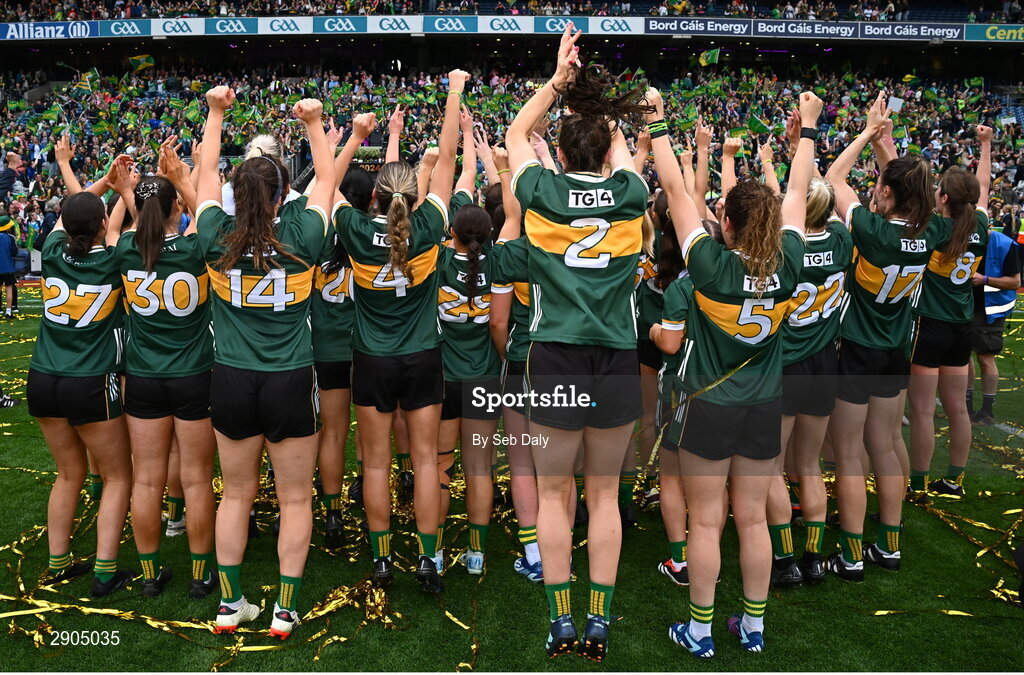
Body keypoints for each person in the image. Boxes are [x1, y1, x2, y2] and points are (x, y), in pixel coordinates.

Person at [649, 87, 819, 657]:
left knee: (705, 522)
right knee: (751, 521)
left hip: (710, 405)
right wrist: (809, 133)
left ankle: (699, 630)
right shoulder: (790, 263)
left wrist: (658, 124)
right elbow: (796, 192)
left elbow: (674, 189)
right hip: (763, 403)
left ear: (725, 219)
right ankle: (753, 627)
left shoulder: (709, 265)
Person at [505, 24, 651, 661]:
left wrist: (559, 81)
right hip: (615, 355)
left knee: (556, 493)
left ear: (559, 154)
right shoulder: (629, 193)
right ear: (605, 149)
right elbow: (622, 163)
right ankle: (600, 621)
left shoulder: (540, 189)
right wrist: (605, 119)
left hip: (556, 354)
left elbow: (514, 134)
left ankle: (562, 620)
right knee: (606, 495)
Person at [196, 86, 335, 639]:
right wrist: (315, 123)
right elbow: (325, 180)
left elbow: (205, 174)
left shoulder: (214, 234)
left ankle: (230, 605)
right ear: (282, 194)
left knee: (235, 493)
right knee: (295, 497)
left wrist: (214, 114)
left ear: (234, 193)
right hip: (289, 378)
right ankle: (284, 608)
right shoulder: (302, 233)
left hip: (230, 377)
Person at [331, 68, 467, 594]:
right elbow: (450, 158)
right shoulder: (431, 226)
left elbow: (327, 182)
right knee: (428, 461)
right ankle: (428, 561)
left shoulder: (355, 230)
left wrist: (351, 137)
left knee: (376, 463)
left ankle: (383, 560)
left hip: (371, 360)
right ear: (416, 195)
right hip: (422, 357)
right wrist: (453, 92)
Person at [824, 92, 945, 582]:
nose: (874, 188)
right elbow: (904, 186)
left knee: (850, 454)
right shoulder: (932, 230)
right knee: (886, 443)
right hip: (896, 349)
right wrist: (885, 144)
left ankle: (852, 553)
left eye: (879, 185)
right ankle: (889, 545)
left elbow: (832, 179)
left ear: (891, 194)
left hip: (857, 348)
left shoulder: (872, 230)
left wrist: (866, 135)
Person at [27, 164, 135, 597]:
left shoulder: (53, 249)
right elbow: (135, 226)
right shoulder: (113, 260)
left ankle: (58, 561)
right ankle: (105, 570)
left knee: (67, 474)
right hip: (89, 378)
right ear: (104, 223)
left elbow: (66, 215)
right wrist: (121, 188)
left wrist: (102, 183)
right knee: (117, 476)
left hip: (44, 376)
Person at [116, 140, 217, 599]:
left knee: (147, 478)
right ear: (178, 205)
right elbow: (210, 217)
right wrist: (181, 178)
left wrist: (130, 195)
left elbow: (139, 225)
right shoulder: (197, 246)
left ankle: (151, 574)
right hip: (194, 373)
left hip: (143, 377)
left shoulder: (122, 250)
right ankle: (200, 573)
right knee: (196, 478)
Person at [765, 171, 852, 588]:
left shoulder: (785, 250)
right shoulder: (841, 241)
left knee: (772, 467)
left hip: (786, 365)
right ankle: (814, 557)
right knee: (810, 464)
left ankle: (785, 561)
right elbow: (828, 193)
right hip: (824, 363)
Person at [908, 126, 992, 498]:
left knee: (924, 411)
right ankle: (954, 480)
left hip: (930, 325)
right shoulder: (982, 224)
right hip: (962, 325)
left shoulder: (935, 228)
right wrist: (986, 145)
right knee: (958, 409)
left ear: (942, 197)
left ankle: (919, 483)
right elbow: (984, 188)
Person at [436, 205, 503, 575]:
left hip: (445, 376)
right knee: (479, 468)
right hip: (484, 377)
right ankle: (476, 552)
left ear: (453, 232)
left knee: (441, 466)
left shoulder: (440, 259)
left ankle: (438, 548)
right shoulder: (496, 261)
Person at [967, 225, 1021, 425]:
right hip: (964, 305)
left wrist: (985, 279)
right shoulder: (962, 238)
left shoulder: (1005, 244)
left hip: (991, 307)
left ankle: (987, 411)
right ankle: (967, 407)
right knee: (964, 356)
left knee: (985, 356)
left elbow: (1015, 282)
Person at [0, 215, 16, 318]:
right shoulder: (10, 237)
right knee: (9, 289)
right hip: (8, 267)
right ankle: (8, 312)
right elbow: (14, 252)